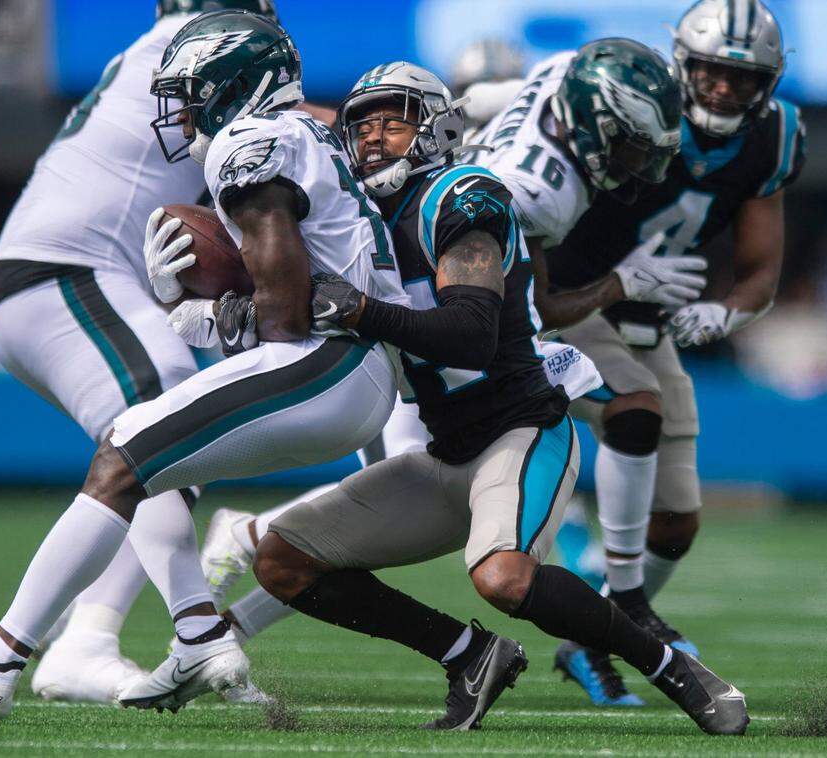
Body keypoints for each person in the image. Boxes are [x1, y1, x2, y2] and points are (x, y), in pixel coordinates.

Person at [0, 9, 406, 722]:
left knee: (130, 451)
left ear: (237, 81)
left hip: (314, 361)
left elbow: (285, 318)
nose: (182, 112)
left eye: (193, 93)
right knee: (142, 450)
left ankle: (10, 660)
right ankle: (185, 636)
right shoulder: (300, 130)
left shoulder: (249, 134)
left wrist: (203, 312)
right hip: (347, 368)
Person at [250, 61, 749, 736]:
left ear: (436, 129)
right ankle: (469, 655)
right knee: (282, 560)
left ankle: (673, 669)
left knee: (504, 578)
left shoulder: (461, 196)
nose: (372, 137)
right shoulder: (354, 225)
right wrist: (212, 306)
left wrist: (361, 310)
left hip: (521, 429)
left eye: (393, 122)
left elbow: (471, 335)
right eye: (361, 125)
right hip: (446, 452)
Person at [0, 0, 279, 708]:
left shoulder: (159, 52)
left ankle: (87, 633)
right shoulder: (189, 47)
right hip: (65, 270)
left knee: (175, 444)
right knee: (163, 424)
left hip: (67, 275)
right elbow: (305, 134)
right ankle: (186, 633)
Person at [538, 0, 805, 705]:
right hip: (573, 301)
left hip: (649, 319)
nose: (723, 88)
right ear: (683, 62)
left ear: (769, 83)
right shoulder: (632, 100)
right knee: (635, 409)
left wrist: (726, 311)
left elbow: (760, 270)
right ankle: (624, 604)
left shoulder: (774, 137)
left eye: (742, 78)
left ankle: (588, 638)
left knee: (678, 520)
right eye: (712, 71)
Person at [469, 38, 711, 705]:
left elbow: (493, 98)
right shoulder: (543, 191)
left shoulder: (563, 69)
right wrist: (621, 283)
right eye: (630, 146)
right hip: (446, 333)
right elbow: (539, 308)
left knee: (635, 405)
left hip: (464, 310)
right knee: (411, 503)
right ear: (595, 123)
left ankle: (620, 601)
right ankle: (623, 598)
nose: (639, 165)